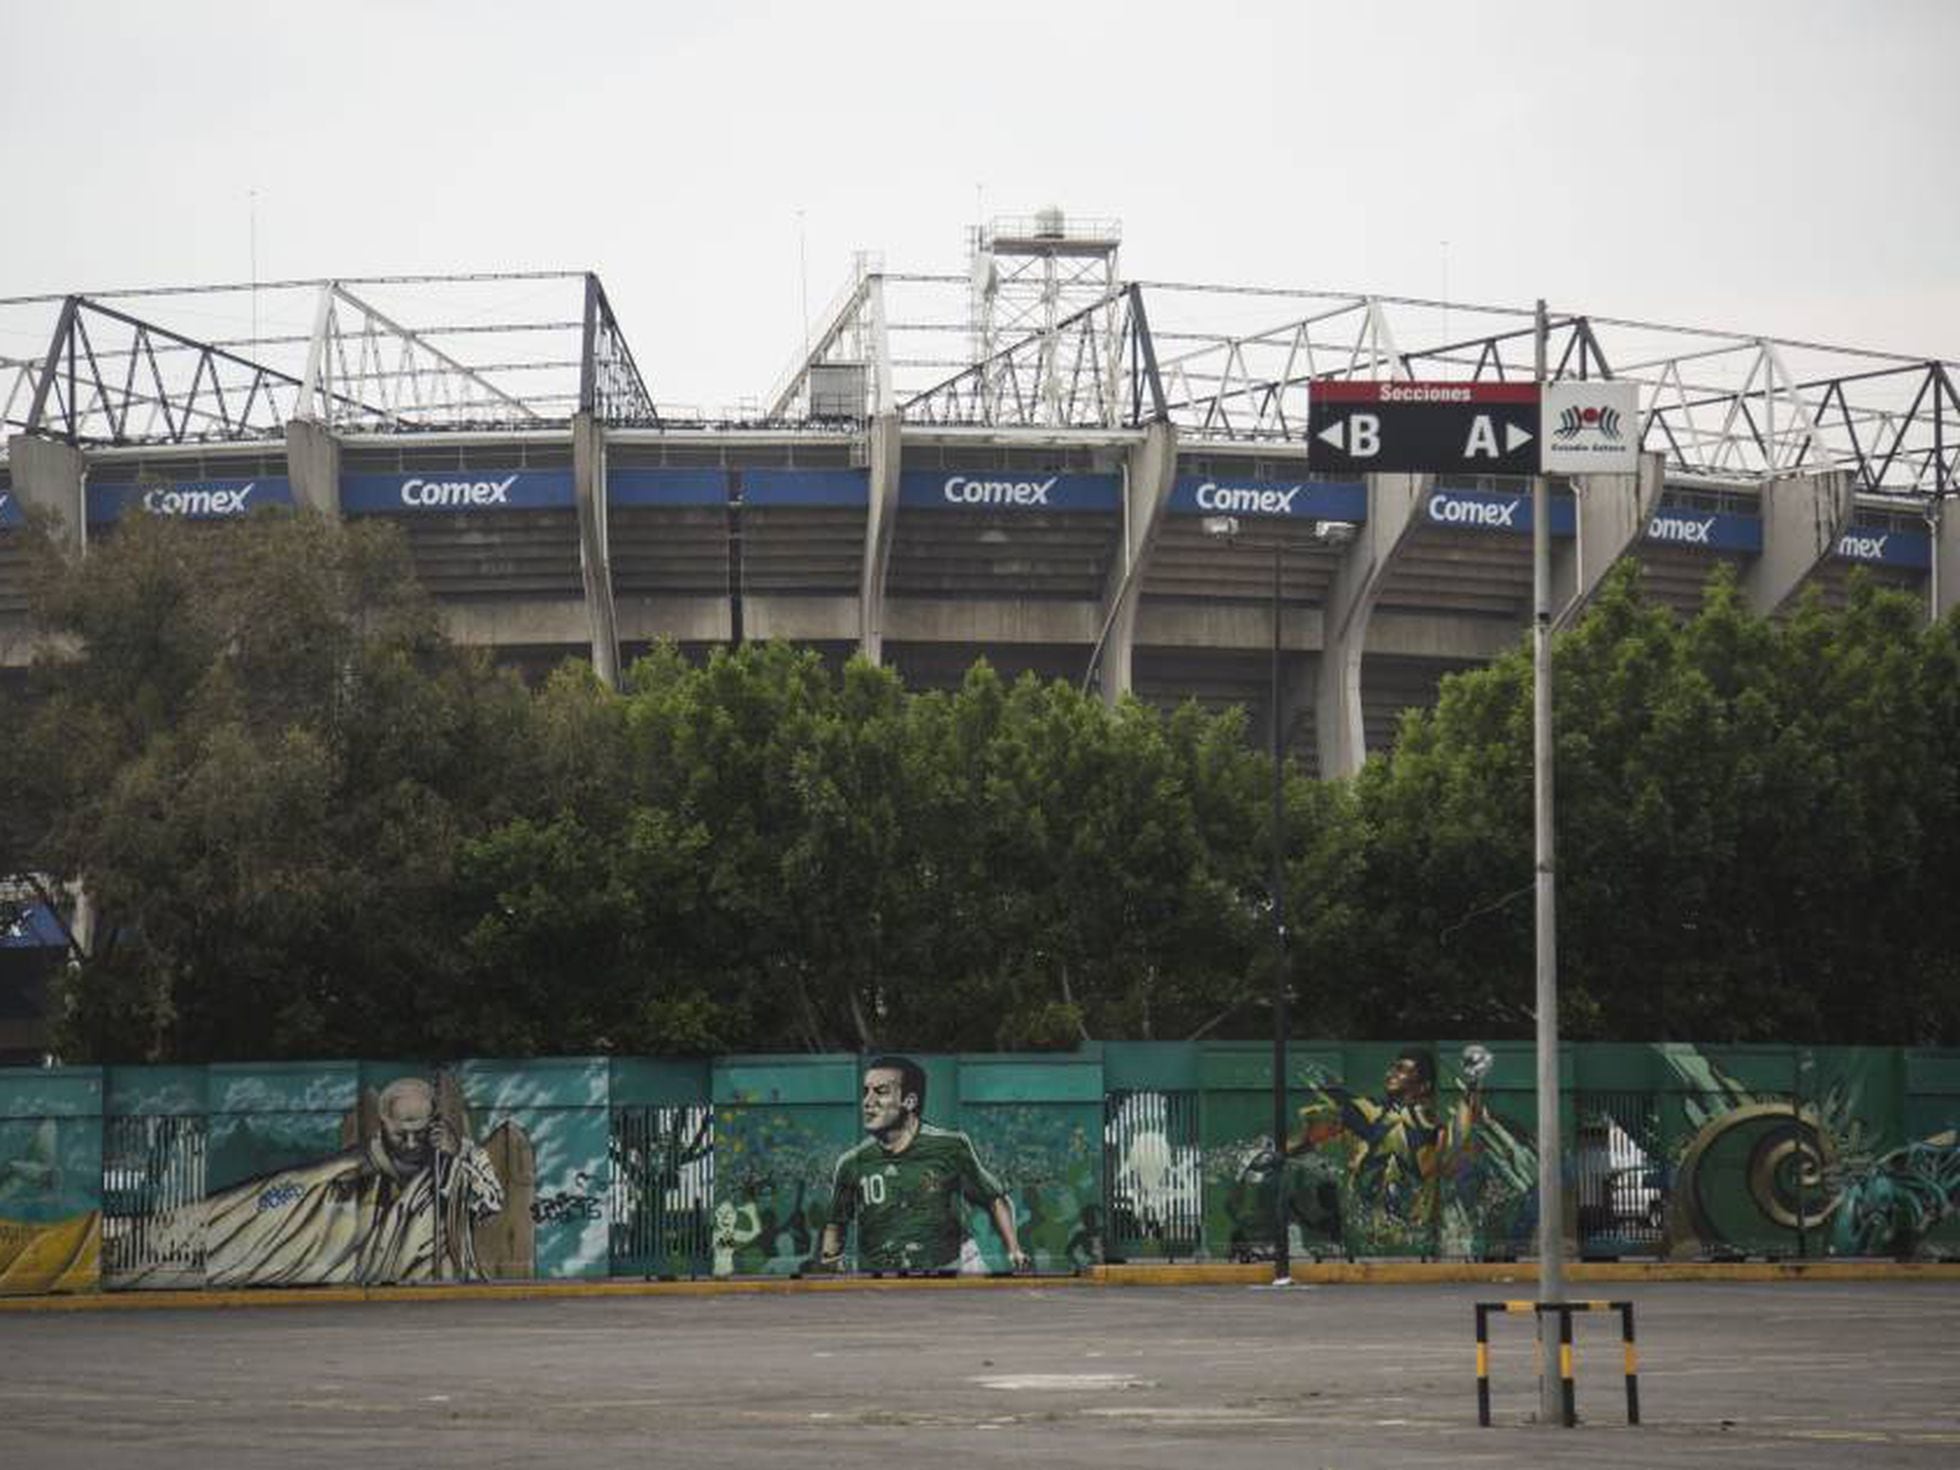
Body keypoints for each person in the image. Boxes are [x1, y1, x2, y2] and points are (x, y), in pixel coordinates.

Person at [183, 1075, 509, 1287]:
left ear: (435, 1123)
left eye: (420, 1133)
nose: (411, 1144)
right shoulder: (357, 1164)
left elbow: (491, 1204)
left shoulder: (464, 1156)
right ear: (383, 1125)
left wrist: (457, 1158)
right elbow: (296, 1190)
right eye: (400, 1135)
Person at [819, 1055, 1030, 1274]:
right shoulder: (851, 1163)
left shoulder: (950, 1146)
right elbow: (836, 1223)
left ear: (909, 1101)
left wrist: (1014, 1250)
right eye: (865, 1092)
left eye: (880, 1091)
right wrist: (831, 1263)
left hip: (952, 1267)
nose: (867, 1102)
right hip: (883, 1276)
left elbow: (995, 1198)